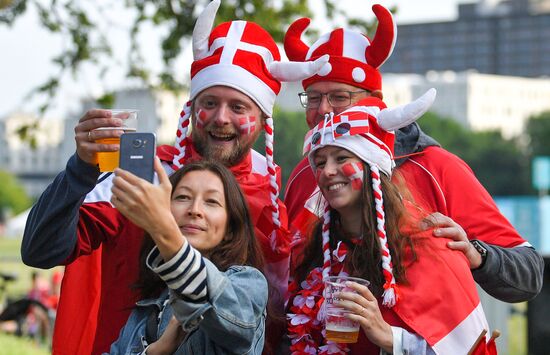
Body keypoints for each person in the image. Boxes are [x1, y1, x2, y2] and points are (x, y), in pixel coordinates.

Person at [21, 1, 327, 353]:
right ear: (191, 107)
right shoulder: (146, 174)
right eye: (209, 102)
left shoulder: (271, 192)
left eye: (238, 107)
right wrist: (81, 168)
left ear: (262, 119)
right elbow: (40, 250)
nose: (221, 118)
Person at [282, 4, 543, 302]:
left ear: (375, 101)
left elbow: (529, 272)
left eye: (339, 97)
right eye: (313, 98)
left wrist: (476, 253)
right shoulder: (306, 173)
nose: (324, 110)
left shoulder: (434, 165)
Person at [287, 94, 496, 354]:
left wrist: (390, 337)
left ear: (373, 168)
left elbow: (470, 348)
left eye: (342, 159)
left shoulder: (430, 247)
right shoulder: (315, 251)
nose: (328, 171)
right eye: (320, 163)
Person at [107, 159, 268, 354]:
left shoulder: (248, 285)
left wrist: (164, 231)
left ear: (230, 229)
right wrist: (154, 351)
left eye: (211, 201)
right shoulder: (147, 307)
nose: (194, 210)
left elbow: (237, 325)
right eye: (183, 197)